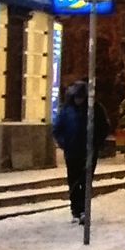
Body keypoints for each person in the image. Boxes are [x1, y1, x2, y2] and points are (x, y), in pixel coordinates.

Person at [51, 81, 111, 224]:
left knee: (85, 181)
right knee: (73, 181)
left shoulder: (95, 109)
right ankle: (75, 210)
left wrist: (97, 143)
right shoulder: (66, 110)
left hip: (89, 151)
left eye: (81, 97)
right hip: (72, 151)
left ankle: (84, 209)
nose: (79, 100)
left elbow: (104, 127)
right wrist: (63, 143)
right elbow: (57, 129)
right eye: (77, 97)